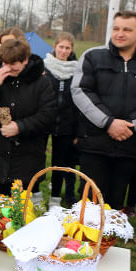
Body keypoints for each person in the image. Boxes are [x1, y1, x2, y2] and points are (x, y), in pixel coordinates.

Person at [71, 10, 136, 210]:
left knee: (115, 203)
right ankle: (85, 240)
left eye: (127, 29)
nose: (120, 33)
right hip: (94, 143)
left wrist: (130, 125)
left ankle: (109, 239)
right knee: (89, 202)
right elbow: (80, 90)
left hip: (130, 144)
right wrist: (109, 122)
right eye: (116, 28)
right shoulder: (92, 57)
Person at [0, 38, 57, 194]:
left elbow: (48, 116)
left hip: (26, 164)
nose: (7, 69)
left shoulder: (41, 83)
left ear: (25, 60)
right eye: (4, 63)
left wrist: (20, 127)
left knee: (19, 215)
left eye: (13, 65)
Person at [43, 32, 79, 207]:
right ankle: (34, 194)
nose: (63, 51)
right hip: (44, 122)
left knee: (60, 163)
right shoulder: (44, 67)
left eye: (67, 48)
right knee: (37, 160)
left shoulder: (77, 70)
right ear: (54, 47)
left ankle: (55, 199)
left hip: (66, 125)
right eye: (61, 47)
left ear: (71, 50)